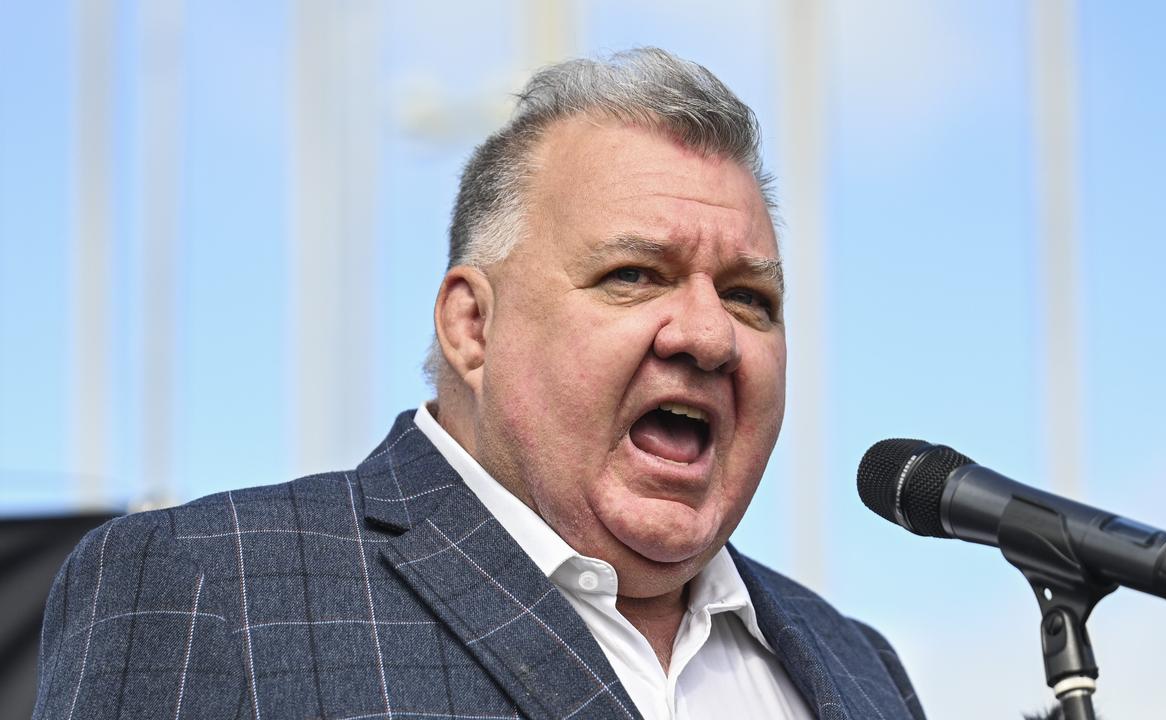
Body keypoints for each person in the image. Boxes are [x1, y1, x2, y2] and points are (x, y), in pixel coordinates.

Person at [33, 48, 925, 720]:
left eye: (750, 297)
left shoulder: (860, 668)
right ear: (472, 326)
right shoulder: (207, 586)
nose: (708, 334)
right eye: (633, 275)